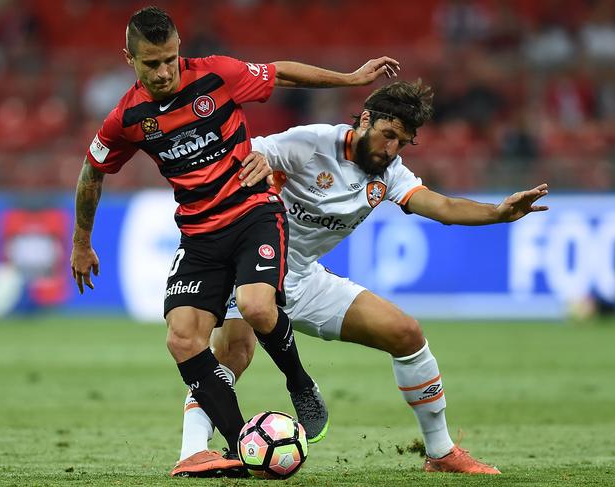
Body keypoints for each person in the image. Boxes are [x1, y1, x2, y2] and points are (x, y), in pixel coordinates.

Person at [69, 5, 401, 477]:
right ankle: (238, 447)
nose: (164, 72)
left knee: (257, 307)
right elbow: (92, 170)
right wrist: (82, 240)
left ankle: (300, 384)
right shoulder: (126, 118)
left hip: (253, 214)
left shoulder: (217, 75)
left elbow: (281, 72)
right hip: (199, 235)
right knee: (183, 339)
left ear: (179, 49)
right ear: (129, 59)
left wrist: (349, 80)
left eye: (170, 59)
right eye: (151, 64)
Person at [175, 79, 550, 476]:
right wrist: (261, 165)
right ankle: (194, 451)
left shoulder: (389, 173)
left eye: (401, 143)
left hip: (302, 278)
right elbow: (248, 152)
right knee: (233, 353)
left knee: (406, 333)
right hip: (249, 271)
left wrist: (497, 213)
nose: (391, 149)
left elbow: (440, 205)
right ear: (366, 119)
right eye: (388, 135)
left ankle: (441, 453)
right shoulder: (314, 142)